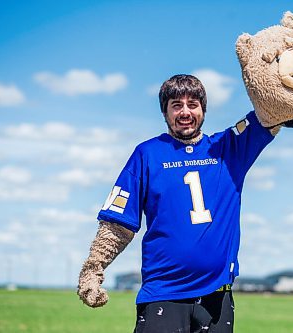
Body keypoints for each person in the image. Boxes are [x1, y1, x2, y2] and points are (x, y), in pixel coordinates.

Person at [77, 74, 277, 332]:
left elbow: (271, 115)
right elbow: (118, 224)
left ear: (203, 109)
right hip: (163, 294)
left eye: (192, 104)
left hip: (217, 297)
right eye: (176, 105)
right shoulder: (147, 154)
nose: (185, 112)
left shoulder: (229, 147)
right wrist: (93, 269)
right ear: (165, 111)